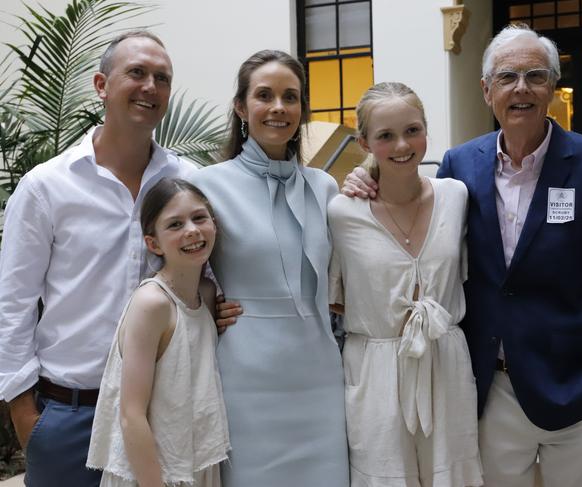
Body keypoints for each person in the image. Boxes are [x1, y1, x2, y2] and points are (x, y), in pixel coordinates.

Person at [343, 24, 582, 487]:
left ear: (552, 89)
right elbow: (412, 202)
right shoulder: (459, 167)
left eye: (535, 76)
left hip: (581, 389)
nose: (521, 88)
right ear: (486, 90)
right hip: (492, 391)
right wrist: (364, 176)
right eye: (507, 77)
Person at [0, 31, 199, 487]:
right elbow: (13, 305)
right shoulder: (45, 186)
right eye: (137, 73)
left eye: (162, 78)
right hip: (70, 418)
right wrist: (27, 418)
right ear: (101, 84)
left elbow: (207, 276)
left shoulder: (191, 182)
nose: (151, 86)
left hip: (165, 413)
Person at [189, 50, 349, 487]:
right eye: (264, 95)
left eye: (290, 97)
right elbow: (179, 275)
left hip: (319, 375)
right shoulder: (205, 185)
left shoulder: (326, 185)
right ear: (241, 107)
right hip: (247, 378)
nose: (279, 107)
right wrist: (209, 305)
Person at [328, 82, 483, 487]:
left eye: (413, 130)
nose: (402, 144)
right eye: (385, 135)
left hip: (445, 363)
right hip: (375, 369)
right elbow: (334, 299)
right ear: (364, 142)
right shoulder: (342, 213)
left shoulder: (456, 196)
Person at [86, 178, 229, 487]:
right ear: (153, 243)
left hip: (195, 462)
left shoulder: (205, 294)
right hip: (151, 472)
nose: (191, 230)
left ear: (214, 225)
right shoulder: (152, 303)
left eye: (199, 218)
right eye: (175, 224)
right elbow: (131, 413)